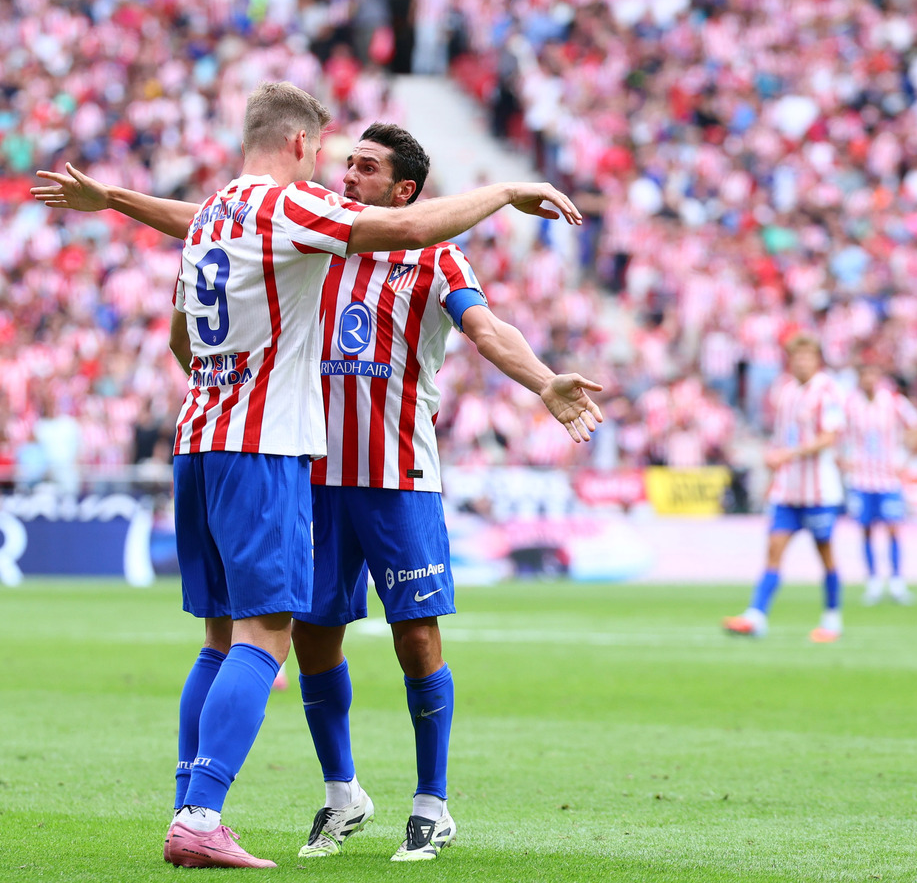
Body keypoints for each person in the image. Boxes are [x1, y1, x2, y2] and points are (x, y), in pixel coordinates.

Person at [32, 105, 598, 866]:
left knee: (415, 640)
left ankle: (431, 801)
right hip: (309, 474)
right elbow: (207, 217)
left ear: (406, 194)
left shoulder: (433, 256)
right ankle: (342, 794)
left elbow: (486, 328)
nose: (347, 172)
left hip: (397, 474)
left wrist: (542, 382)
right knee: (307, 640)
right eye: (347, 160)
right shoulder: (310, 239)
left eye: (367, 167)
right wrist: (119, 200)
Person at [722, 332, 847, 643]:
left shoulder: (828, 391)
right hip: (788, 491)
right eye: (796, 356)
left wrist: (788, 455)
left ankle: (832, 619)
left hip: (818, 491)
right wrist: (774, 466)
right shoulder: (788, 392)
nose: (801, 361)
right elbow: (782, 440)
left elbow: (829, 438)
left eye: (807, 356)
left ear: (817, 359)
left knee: (825, 554)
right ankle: (756, 615)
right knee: (773, 550)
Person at [842, 360, 917, 606]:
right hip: (861, 479)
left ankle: (897, 582)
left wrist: (906, 460)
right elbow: (837, 433)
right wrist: (843, 460)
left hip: (889, 479)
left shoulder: (893, 401)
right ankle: (873, 582)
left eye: (872, 372)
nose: (869, 378)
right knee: (866, 530)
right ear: (859, 377)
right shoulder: (851, 404)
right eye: (864, 373)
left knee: (892, 528)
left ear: (878, 376)